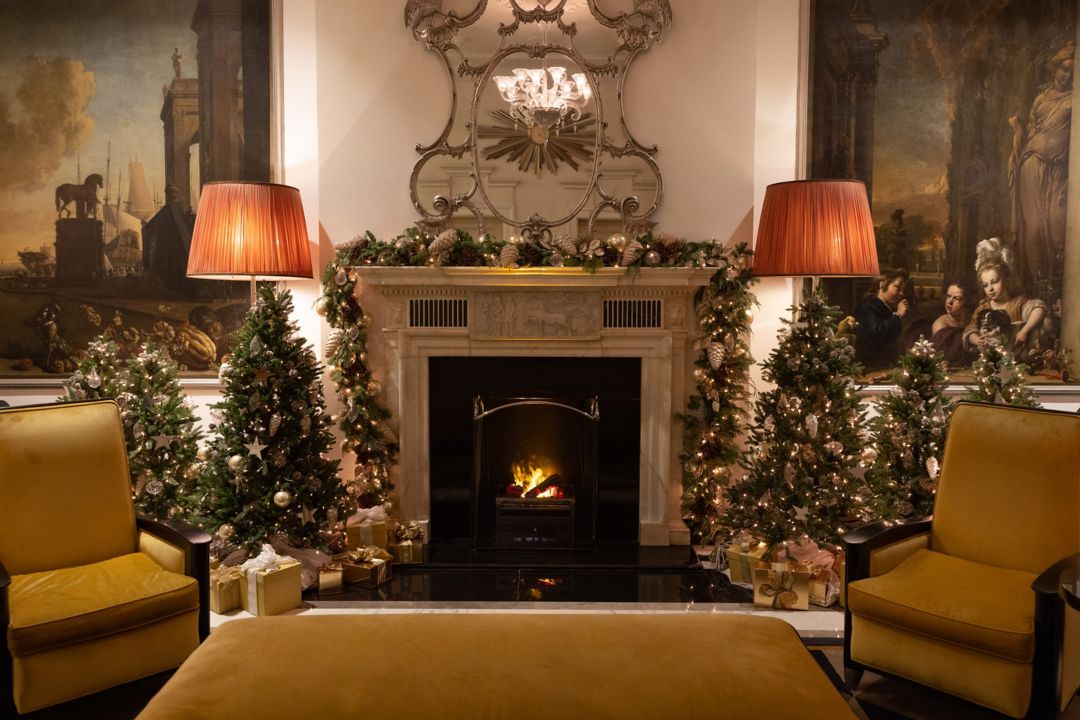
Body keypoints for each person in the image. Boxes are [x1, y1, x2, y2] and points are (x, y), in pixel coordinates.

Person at [1009, 42, 1073, 299]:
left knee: (1058, 231)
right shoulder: (1041, 99)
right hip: (1032, 164)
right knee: (1034, 231)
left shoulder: (1075, 100)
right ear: (1055, 69)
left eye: (1072, 72)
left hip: (1058, 172)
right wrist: (1017, 135)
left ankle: (1056, 294)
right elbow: (1033, 133)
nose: (1066, 75)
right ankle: (1039, 294)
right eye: (1063, 69)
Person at [962, 238, 1047, 354]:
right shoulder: (983, 307)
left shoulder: (1017, 303)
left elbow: (1039, 309)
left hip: (1015, 357)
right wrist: (975, 339)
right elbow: (970, 328)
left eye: (995, 281)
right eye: (986, 285)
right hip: (990, 358)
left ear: (1006, 280)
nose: (990, 288)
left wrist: (1025, 331)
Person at [853, 269, 910, 370]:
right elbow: (876, 334)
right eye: (897, 288)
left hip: (887, 367)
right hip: (869, 368)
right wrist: (898, 315)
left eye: (903, 290)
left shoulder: (888, 309)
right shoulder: (867, 306)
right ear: (882, 284)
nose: (901, 293)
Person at [930, 280, 978, 367]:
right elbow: (948, 354)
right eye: (948, 296)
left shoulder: (973, 320)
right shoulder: (940, 324)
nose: (949, 302)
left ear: (967, 302)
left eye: (957, 299)